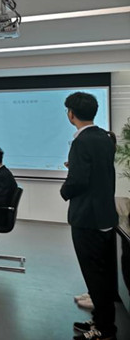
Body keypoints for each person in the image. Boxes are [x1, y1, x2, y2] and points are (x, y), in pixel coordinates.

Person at [61, 92, 118, 340]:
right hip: (105, 214)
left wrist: (65, 190)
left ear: (71, 114)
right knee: (102, 273)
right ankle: (100, 320)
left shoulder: (81, 141)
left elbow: (79, 181)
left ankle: (104, 329)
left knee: (94, 275)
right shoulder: (105, 137)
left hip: (87, 217)